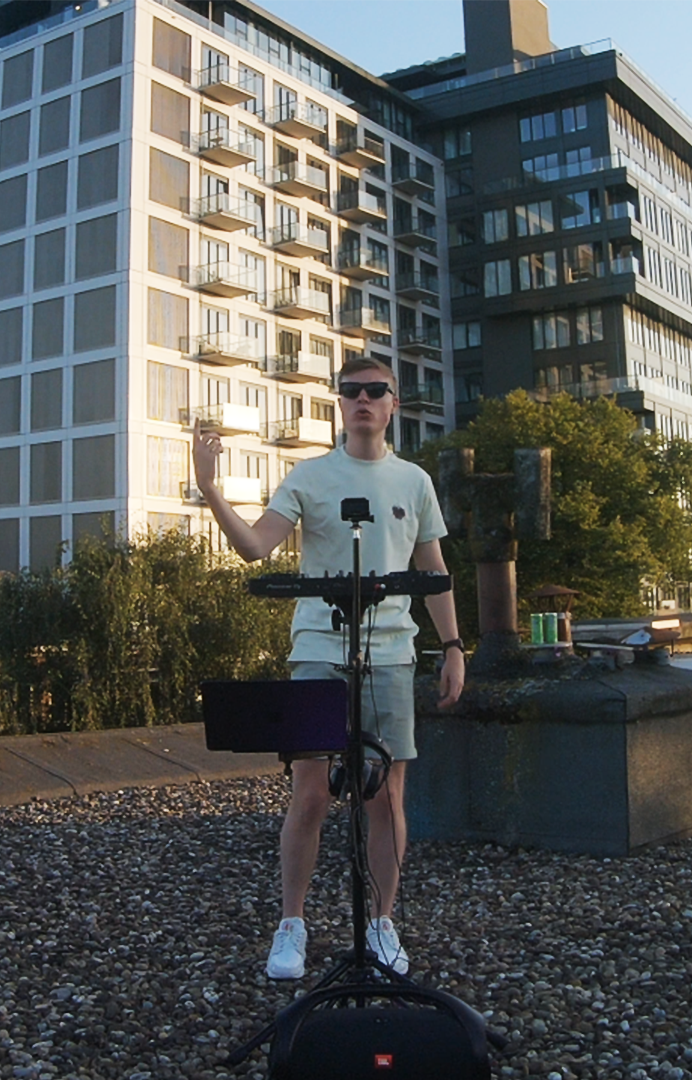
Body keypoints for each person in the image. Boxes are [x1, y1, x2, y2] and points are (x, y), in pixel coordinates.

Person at [193, 356, 465, 979]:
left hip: (393, 653)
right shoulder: (310, 476)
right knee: (311, 792)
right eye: (352, 392)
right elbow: (256, 546)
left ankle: (382, 923)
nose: (363, 400)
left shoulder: (414, 482)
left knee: (386, 797)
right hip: (318, 650)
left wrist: (452, 648)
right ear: (339, 405)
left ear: (394, 403)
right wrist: (211, 490)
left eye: (376, 391)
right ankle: (291, 924)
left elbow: (433, 574)